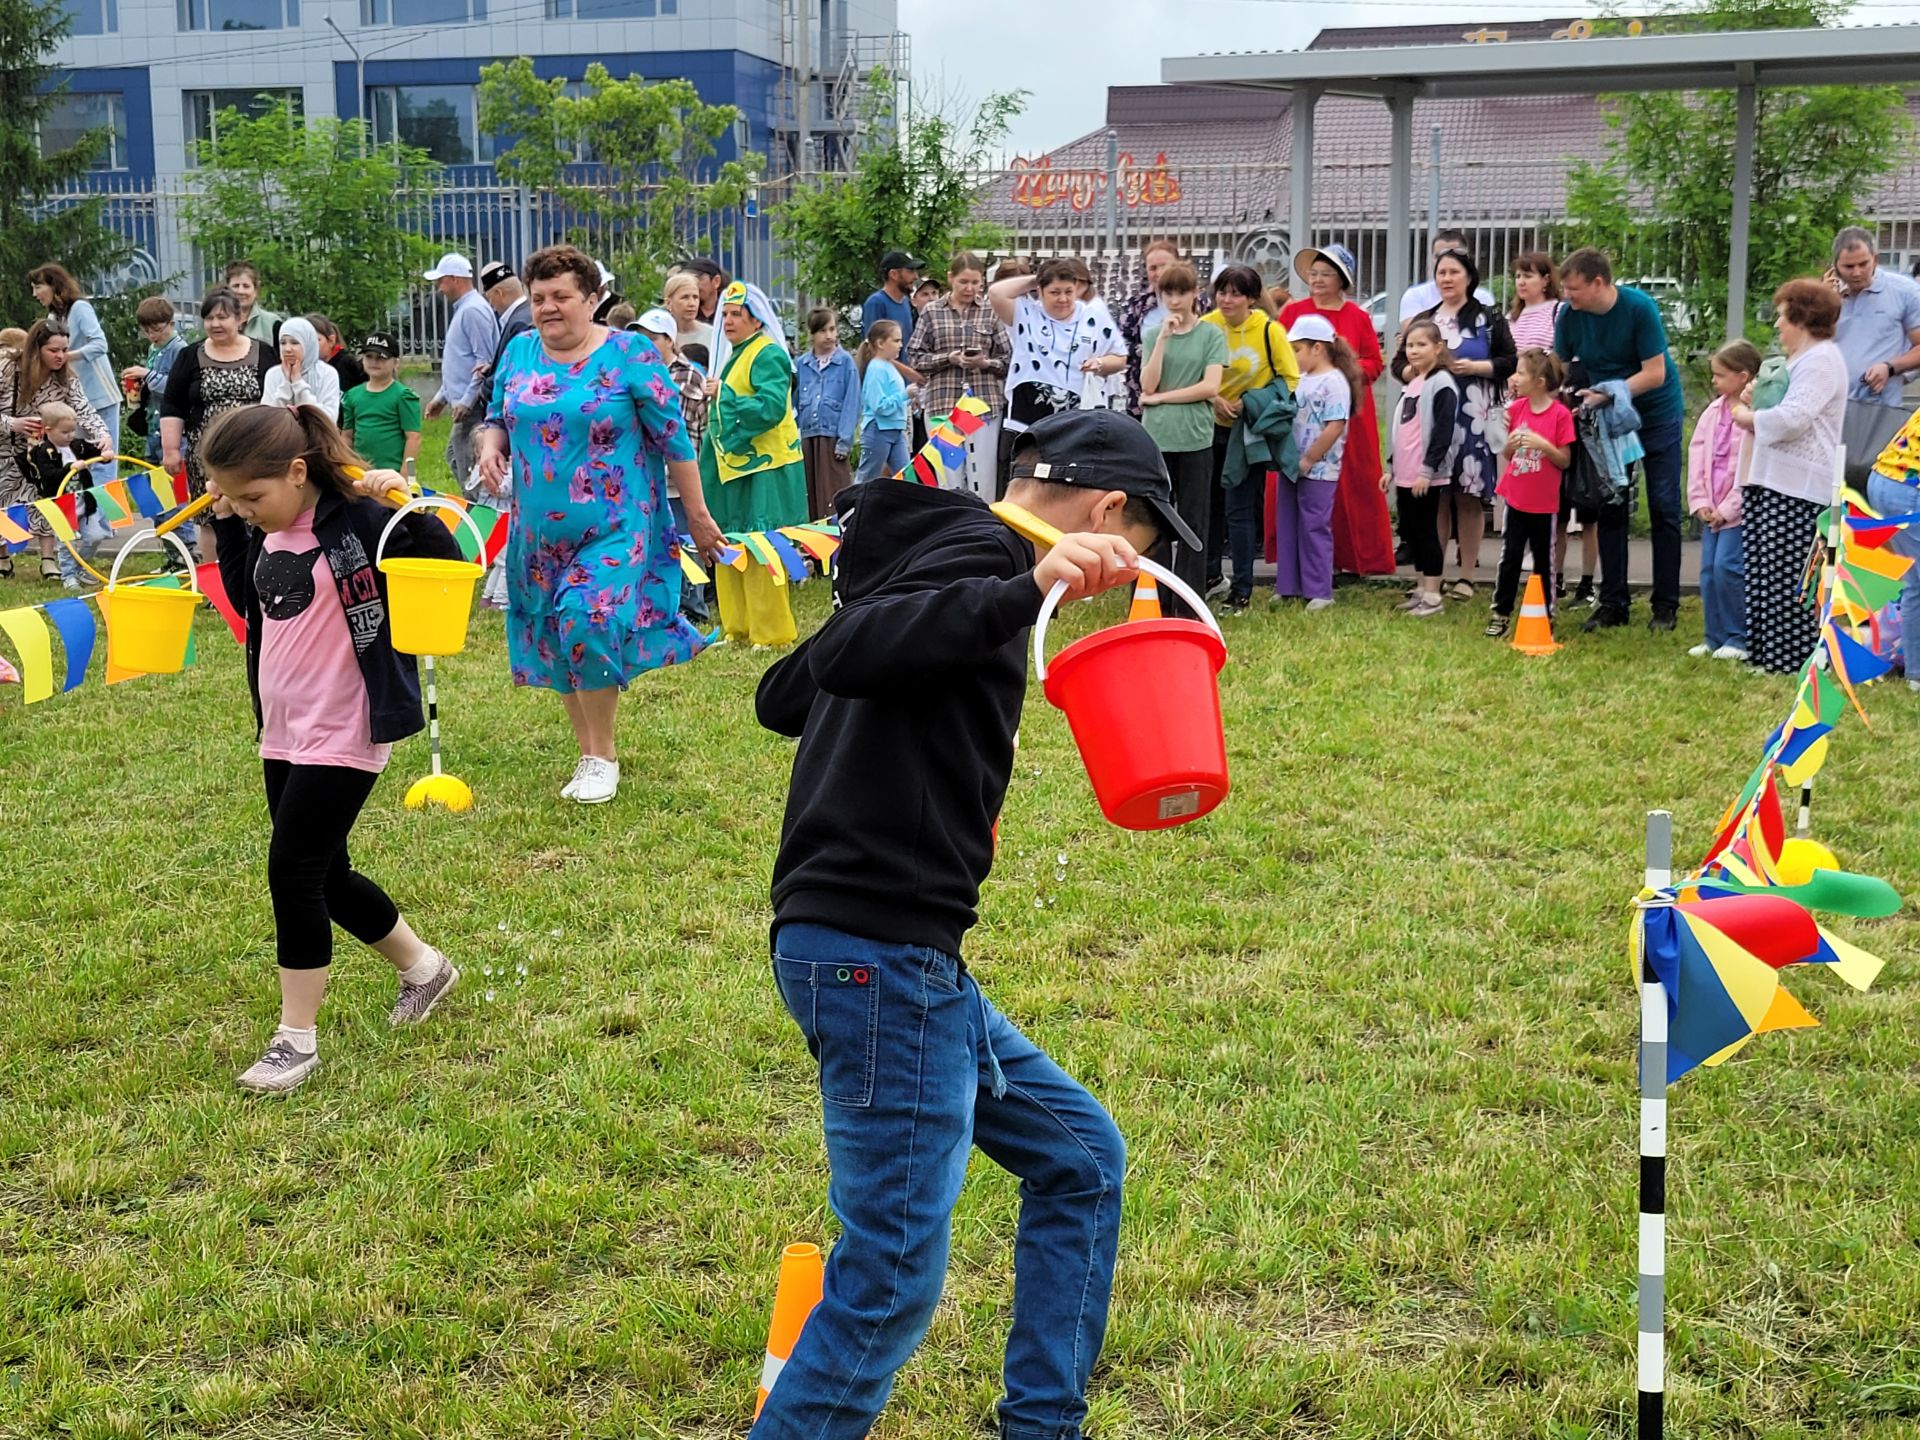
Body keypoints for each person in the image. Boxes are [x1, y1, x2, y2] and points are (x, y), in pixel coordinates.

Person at [750, 406, 1201, 1440]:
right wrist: (1027, 587)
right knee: (894, 1276)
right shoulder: (984, 550)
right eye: (1139, 544)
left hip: (888, 950)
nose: (1132, 569)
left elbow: (789, 692)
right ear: (1108, 510)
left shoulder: (947, 559)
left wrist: (964, 608)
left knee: (1081, 1158)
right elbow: (856, 649)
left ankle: (1043, 1426)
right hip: (877, 952)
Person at [202, 404, 462, 1095]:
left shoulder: (358, 521)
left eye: (253, 497)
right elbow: (246, 599)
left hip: (345, 725)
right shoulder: (263, 528)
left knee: (291, 871)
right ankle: (425, 969)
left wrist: (405, 503)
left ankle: (296, 1041)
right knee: (327, 872)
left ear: (296, 470)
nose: (247, 509)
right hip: (283, 727)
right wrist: (229, 523)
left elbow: (446, 562)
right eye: (234, 498)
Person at [475, 245, 726, 803]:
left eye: (561, 297)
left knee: (586, 616)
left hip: (616, 523)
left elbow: (674, 440)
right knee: (555, 630)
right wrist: (491, 446)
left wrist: (700, 518)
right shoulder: (518, 352)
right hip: (537, 532)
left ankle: (602, 755)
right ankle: (586, 750)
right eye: (539, 298)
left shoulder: (630, 354)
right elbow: (497, 415)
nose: (548, 308)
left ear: (592, 299)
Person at [1554, 247, 1687, 632]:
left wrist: (1610, 392)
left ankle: (1665, 604)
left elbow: (1655, 373)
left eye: (1574, 288)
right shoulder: (1570, 315)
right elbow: (1559, 366)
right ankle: (1613, 602)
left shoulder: (1639, 308)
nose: (1568, 296)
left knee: (1663, 506)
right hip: (1606, 421)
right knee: (1610, 504)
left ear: (1599, 283)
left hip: (1656, 415)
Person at [1731, 278, 1848, 675]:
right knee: (1763, 571)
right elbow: (1779, 406)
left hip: (1798, 486)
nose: (1777, 325)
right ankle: (1764, 654)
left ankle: (1790, 660)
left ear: (1801, 317)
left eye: (1782, 316)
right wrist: (1755, 398)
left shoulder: (1822, 360)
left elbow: (1795, 418)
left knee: (1789, 578)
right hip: (1770, 478)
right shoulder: (1797, 361)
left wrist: (1748, 417)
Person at [1392, 248, 1516, 600]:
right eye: (1441, 272)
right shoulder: (1425, 317)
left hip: (1472, 416)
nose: (1446, 278)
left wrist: (1475, 369)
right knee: (1435, 495)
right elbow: (1398, 362)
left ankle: (1466, 574)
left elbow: (1510, 360)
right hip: (1429, 416)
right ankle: (1435, 574)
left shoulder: (1488, 318)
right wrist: (1415, 371)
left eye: (1453, 272)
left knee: (1468, 495)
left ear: (1469, 277)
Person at [696, 280, 810, 648]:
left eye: (736, 315)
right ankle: (737, 627)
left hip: (764, 466)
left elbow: (772, 408)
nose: (727, 321)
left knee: (761, 545)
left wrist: (724, 394)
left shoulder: (768, 354)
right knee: (728, 540)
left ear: (756, 319)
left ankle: (771, 631)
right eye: (724, 314)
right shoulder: (736, 354)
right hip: (731, 466)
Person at [1280, 242, 1395, 577]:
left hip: (1347, 413)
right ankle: (1301, 564)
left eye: (1326, 274)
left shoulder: (1357, 316)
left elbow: (1375, 362)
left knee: (1351, 485)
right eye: (1314, 273)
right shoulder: (1292, 312)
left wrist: (1337, 373)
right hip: (1300, 411)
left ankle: (1354, 558)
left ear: (1341, 279)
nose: (1317, 279)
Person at [1201, 264, 1300, 604]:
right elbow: (1188, 372)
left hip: (1247, 433)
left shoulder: (1270, 331)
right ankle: (1210, 575)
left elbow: (1290, 379)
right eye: (1222, 292)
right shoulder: (1206, 326)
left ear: (1252, 299)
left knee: (1239, 511)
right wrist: (1212, 397)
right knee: (1208, 508)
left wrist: (1250, 403)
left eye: (1236, 294)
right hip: (1207, 428)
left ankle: (1242, 590)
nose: (1226, 300)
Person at [989, 258, 1128, 487]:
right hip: (1026, 415)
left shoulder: (1093, 316)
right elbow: (996, 292)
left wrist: (1100, 363)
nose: (1063, 299)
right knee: (1022, 480)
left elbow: (1120, 357)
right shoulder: (1025, 313)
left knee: (1064, 484)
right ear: (1039, 292)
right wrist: (1040, 276)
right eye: (1054, 292)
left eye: (1068, 291)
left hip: (1074, 419)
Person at [162, 288, 277, 563]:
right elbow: (172, 405)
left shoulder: (264, 353)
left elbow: (279, 401)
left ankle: (256, 578)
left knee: (256, 512)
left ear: (240, 319)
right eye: (209, 318)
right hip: (207, 455)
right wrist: (171, 449)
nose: (215, 324)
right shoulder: (190, 356)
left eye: (222, 317)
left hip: (255, 452)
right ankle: (216, 586)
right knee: (211, 516)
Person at [1139, 260, 1226, 613]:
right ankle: (1153, 599)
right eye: (1168, 293)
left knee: (1193, 523)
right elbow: (1146, 383)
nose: (1174, 300)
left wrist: (1160, 398)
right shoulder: (1151, 334)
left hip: (1195, 438)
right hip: (1157, 437)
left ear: (1195, 295)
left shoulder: (1210, 334)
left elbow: (1210, 387)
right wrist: (1162, 339)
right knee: (1155, 520)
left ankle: (1189, 603)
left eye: (1181, 292)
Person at [1, 318, 113, 581]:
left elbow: (85, 410)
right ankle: (3, 557)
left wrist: (103, 435)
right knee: (4, 501)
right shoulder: (7, 368)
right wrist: (12, 423)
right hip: (5, 446)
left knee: (44, 499)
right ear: (35, 349)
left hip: (40, 450)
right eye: (54, 350)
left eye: (64, 349)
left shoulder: (66, 378)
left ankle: (48, 560)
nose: (61, 356)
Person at [907, 251, 1012, 500]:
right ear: (951, 279)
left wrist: (985, 362)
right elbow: (915, 357)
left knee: (982, 475)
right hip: (943, 403)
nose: (969, 288)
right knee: (948, 477)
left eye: (975, 283)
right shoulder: (932, 311)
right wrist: (948, 358)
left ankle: (982, 530)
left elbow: (1008, 359)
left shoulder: (990, 311)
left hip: (983, 405)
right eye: (964, 282)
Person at [1486, 349, 1575, 638]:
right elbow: (1508, 454)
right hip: (1516, 497)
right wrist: (1509, 442)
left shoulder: (1560, 415)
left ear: (1539, 381)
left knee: (1543, 560)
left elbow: (1564, 460)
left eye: (1521, 373)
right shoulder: (1515, 409)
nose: (1515, 378)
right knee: (1510, 556)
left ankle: (1546, 613)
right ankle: (1500, 613)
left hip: (1544, 503)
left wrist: (1542, 444)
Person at [1687, 339, 1762, 662]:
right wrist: (1700, 501)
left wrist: (1728, 508)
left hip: (1735, 514)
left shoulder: (1753, 416)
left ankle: (1738, 637)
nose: (1715, 381)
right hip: (1711, 511)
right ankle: (1713, 636)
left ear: (1743, 376)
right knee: (1708, 571)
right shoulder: (1712, 412)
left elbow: (1748, 469)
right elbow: (1697, 455)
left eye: (1720, 375)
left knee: (1728, 568)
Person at [1278, 313, 1358, 611]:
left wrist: (1309, 459)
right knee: (1288, 523)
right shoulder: (1298, 379)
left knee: (1314, 525)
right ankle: (1288, 585)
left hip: (1319, 468)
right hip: (1292, 464)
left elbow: (1335, 426)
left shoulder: (1334, 381)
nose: (1294, 356)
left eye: (1297, 349)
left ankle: (1319, 590)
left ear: (1318, 348)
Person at [1387, 320, 1461, 618]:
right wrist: (1391, 467)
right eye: (1409, 345)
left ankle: (1433, 595)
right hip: (1406, 473)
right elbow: (1402, 429)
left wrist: (1427, 470)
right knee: (1413, 532)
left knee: (1427, 532)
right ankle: (1420, 588)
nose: (1414, 351)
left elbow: (1442, 431)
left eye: (1421, 345)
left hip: (1425, 475)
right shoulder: (1414, 382)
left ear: (1438, 348)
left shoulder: (1441, 383)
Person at [28, 264, 117, 478]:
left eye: (38, 286)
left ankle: (106, 511)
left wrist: (65, 356)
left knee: (104, 459)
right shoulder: (52, 319)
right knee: (77, 458)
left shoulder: (79, 308)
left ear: (54, 285)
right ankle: (84, 509)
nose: (35, 294)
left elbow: (99, 344)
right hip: (71, 402)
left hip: (99, 395)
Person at [422, 252, 500, 489]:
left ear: (455, 279)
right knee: (456, 459)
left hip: (473, 407)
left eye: (441, 281)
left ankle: (480, 516)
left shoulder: (472, 311)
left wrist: (466, 400)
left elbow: (483, 362)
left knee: (470, 469)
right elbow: (460, 362)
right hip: (464, 404)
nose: (439, 288)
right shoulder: (465, 309)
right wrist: (442, 398)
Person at [22, 399, 107, 589]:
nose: (70, 435)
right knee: (67, 542)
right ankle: (69, 576)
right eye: (65, 432)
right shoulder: (42, 452)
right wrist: (70, 467)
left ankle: (80, 567)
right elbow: (48, 476)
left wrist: (105, 455)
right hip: (61, 506)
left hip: (85, 502)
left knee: (96, 536)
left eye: (72, 430)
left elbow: (95, 453)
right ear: (49, 430)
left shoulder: (78, 445)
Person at [1831, 226, 1920, 405]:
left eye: (1863, 264)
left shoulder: (1905, 291)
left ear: (1876, 259)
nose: (1857, 272)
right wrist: (1826, 304)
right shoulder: (1824, 297)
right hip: (1831, 406)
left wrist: (1890, 367)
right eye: (1848, 266)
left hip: (1879, 408)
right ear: (1836, 267)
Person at [1119, 238, 1208, 416]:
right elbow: (1121, 343)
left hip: (1190, 390)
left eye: (1164, 266)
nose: (1159, 273)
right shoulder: (1138, 304)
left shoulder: (1201, 303)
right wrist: (1146, 349)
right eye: (1152, 268)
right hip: (1145, 392)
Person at [796, 307, 859, 516]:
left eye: (832, 329)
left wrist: (845, 440)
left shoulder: (845, 363)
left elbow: (851, 402)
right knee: (808, 492)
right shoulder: (802, 364)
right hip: (807, 437)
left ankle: (837, 537)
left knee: (832, 491)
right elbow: (793, 403)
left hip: (832, 438)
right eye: (823, 331)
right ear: (812, 334)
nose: (829, 336)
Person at [338, 332, 421, 474]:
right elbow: (347, 435)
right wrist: (345, 467)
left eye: (381, 357)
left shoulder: (403, 396)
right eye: (368, 356)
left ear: (396, 363)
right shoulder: (352, 395)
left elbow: (413, 438)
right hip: (360, 473)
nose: (374, 362)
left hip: (391, 474)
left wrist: (407, 475)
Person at [854, 319, 914, 484]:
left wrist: (910, 401)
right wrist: (905, 395)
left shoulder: (888, 367)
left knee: (908, 478)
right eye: (896, 340)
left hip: (895, 430)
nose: (900, 345)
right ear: (880, 343)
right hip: (878, 430)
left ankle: (909, 508)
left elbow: (894, 400)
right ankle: (850, 509)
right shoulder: (876, 369)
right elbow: (879, 406)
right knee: (866, 479)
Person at [1397, 229, 1496, 322]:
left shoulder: (1482, 298)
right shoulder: (1415, 296)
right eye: (1438, 256)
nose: (1445, 260)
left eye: (1451, 255)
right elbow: (1412, 333)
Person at [260, 316, 342, 421]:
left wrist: (298, 384)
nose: (287, 349)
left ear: (308, 344)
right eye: (283, 343)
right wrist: (286, 384)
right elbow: (267, 418)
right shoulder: (273, 374)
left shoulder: (327, 373)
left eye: (294, 342)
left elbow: (329, 419)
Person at [861, 249, 924, 354]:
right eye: (910, 271)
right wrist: (909, 371)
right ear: (893, 274)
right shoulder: (876, 303)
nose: (915, 277)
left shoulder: (905, 302)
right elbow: (873, 350)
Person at [1507, 251, 1563, 353]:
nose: (1521, 282)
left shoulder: (1559, 311)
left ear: (1546, 280)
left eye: (1528, 276)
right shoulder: (1510, 317)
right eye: (1518, 276)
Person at [224, 261, 281, 345]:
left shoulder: (272, 323)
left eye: (246, 286)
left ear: (256, 290)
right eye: (236, 286)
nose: (241, 291)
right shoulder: (218, 321)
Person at [307, 315, 367, 395]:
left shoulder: (347, 363)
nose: (310, 345)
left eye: (316, 340)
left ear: (331, 340)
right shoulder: (306, 368)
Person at [663, 270, 714, 358]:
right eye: (685, 297)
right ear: (668, 303)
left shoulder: (712, 335)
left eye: (695, 297)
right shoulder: (660, 336)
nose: (692, 303)